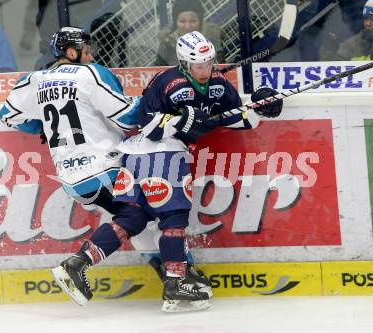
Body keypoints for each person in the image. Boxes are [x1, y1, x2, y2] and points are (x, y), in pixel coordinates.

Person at [57, 31, 282, 312]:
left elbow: (239, 118)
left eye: (208, 63)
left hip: (135, 159)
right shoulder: (166, 82)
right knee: (173, 216)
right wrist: (182, 120)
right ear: (184, 63)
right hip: (158, 154)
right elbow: (147, 125)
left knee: (131, 218)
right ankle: (176, 285)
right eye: (198, 65)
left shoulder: (220, 86)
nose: (205, 70)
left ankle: (76, 264)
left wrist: (260, 106)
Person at [0, 26, 211, 311]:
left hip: (72, 177)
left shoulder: (34, 80)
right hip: (105, 165)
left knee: (136, 220)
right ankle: (174, 278)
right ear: (72, 53)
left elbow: (8, 116)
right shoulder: (89, 74)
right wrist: (159, 103)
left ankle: (170, 277)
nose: (91, 55)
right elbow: (127, 118)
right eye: (86, 51)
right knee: (156, 212)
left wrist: (43, 126)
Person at [155, 0, 226, 66]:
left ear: (200, 22)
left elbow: (221, 71)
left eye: (193, 21)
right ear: (175, 23)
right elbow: (157, 72)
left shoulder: (212, 41)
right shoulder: (167, 44)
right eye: (182, 21)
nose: (188, 27)